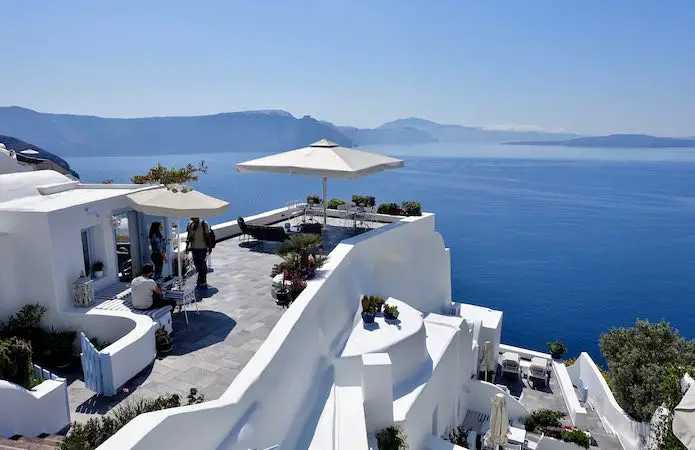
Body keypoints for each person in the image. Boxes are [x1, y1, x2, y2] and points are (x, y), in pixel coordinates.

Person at [185, 217, 213, 287]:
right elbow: (189, 235)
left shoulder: (204, 224)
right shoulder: (190, 224)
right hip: (194, 248)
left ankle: (203, 280)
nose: (193, 219)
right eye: (192, 218)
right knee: (197, 265)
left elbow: (208, 235)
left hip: (202, 248)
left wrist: (209, 247)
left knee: (202, 264)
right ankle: (199, 279)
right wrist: (187, 247)